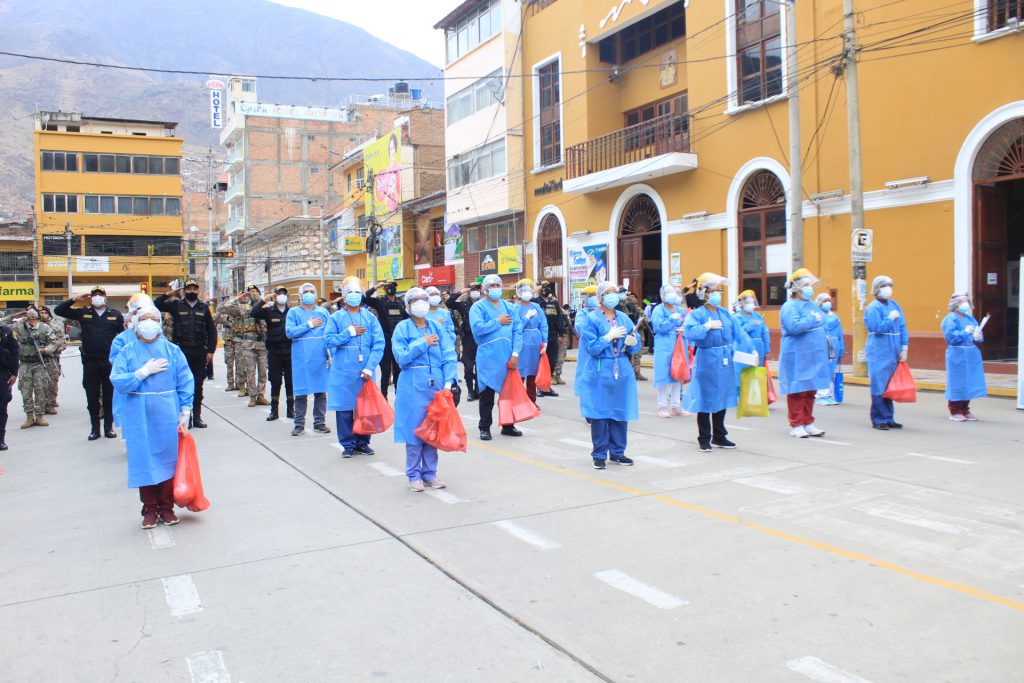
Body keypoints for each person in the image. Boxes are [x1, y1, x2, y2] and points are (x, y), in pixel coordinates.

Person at [110, 305, 195, 529]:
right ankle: (149, 509)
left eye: (153, 318)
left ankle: (167, 507)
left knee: (167, 459)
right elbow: (117, 381)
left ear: (160, 322)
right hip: (138, 410)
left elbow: (185, 379)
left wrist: (186, 409)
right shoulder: (127, 351)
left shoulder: (172, 350)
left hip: (166, 410)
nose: (149, 323)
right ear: (135, 324)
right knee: (143, 459)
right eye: (144, 318)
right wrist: (141, 373)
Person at [392, 287, 458, 491]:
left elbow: (448, 354)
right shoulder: (402, 328)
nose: (420, 303)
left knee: (432, 430)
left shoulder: (436, 327)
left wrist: (448, 382)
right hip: (412, 384)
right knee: (414, 431)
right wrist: (422, 343)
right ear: (408, 306)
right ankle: (413, 475)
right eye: (415, 300)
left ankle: (430, 473)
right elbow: (401, 357)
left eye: (423, 299)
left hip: (435, 384)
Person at [683, 273, 754, 452]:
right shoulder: (698, 314)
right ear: (704, 293)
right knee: (706, 398)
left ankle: (720, 436)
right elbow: (689, 333)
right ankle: (704, 437)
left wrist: (750, 349)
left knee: (722, 396)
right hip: (707, 358)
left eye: (719, 291)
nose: (717, 294)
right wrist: (706, 326)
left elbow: (739, 333)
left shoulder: (724, 313)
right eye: (713, 291)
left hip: (724, 358)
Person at [578, 281, 640, 469]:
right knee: (600, 413)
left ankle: (618, 452)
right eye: (608, 293)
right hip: (600, 368)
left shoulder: (623, 318)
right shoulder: (592, 319)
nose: (613, 296)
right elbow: (591, 348)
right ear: (600, 297)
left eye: (615, 292)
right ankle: (599, 454)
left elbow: (635, 346)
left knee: (620, 412)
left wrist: (632, 342)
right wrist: (607, 337)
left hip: (621, 367)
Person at [325, 277, 385, 456]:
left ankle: (362, 442)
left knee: (365, 407)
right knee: (344, 408)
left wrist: (370, 367)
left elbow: (379, 344)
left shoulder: (370, 318)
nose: (354, 296)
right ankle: (348, 444)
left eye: (357, 292)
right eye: (350, 292)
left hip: (364, 369)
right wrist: (348, 333)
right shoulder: (336, 318)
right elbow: (328, 340)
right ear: (344, 296)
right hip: (343, 369)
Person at [55, 287, 125, 439]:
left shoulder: (115, 315)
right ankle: (95, 429)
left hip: (109, 361)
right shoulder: (83, 313)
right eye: (94, 295)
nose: (97, 297)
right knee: (91, 395)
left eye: (100, 295)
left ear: (106, 298)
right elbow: (59, 311)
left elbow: (122, 337)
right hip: (90, 360)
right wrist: (75, 299)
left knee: (109, 395)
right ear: (90, 298)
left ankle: (109, 427)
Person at [154, 279, 218, 429]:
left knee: (197, 385)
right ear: (184, 291)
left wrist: (211, 350)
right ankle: (185, 418)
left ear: (198, 290)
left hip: (199, 351)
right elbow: (157, 305)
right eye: (188, 289)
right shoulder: (176, 305)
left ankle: (197, 417)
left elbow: (211, 330)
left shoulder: (204, 307)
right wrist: (167, 294)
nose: (191, 291)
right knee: (181, 385)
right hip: (181, 351)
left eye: (194, 289)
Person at [470, 274, 523, 441]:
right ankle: (484, 427)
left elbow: (517, 331)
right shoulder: (478, 308)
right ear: (485, 289)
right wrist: (497, 321)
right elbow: (478, 329)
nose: (495, 288)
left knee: (507, 394)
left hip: (507, 355)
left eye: (497, 285)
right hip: (488, 357)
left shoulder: (509, 307)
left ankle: (508, 425)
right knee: (487, 393)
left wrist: (515, 353)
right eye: (491, 285)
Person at [778, 269, 830, 438]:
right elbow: (794, 327)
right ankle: (796, 424)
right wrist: (811, 320)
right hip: (797, 353)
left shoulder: (812, 305)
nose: (809, 289)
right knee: (797, 389)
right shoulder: (789, 306)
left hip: (814, 354)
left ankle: (808, 422)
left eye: (810, 285)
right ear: (796, 288)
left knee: (810, 389)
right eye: (806, 285)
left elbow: (824, 322)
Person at [285, 282, 331, 436]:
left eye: (312, 291)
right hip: (301, 359)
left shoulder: (323, 312)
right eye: (306, 291)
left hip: (319, 357)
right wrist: (308, 325)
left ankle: (320, 422)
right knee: (301, 392)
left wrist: (330, 354)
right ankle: (299, 424)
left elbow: (330, 334)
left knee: (320, 392)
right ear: (300, 295)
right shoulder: (293, 313)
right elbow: (290, 332)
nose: (309, 294)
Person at [864, 275, 908, 431]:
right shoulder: (873, 308)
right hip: (879, 350)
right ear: (877, 289)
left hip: (893, 349)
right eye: (885, 286)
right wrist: (889, 319)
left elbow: (902, 326)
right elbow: (876, 327)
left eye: (890, 285)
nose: (889, 288)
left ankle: (889, 417)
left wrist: (904, 346)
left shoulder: (895, 305)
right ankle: (878, 419)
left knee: (890, 384)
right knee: (879, 384)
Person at [109, 293, 154, 431]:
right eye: (141, 314)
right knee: (131, 432)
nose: (147, 320)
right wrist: (140, 372)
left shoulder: (158, 337)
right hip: (131, 389)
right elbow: (117, 364)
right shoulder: (123, 339)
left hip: (153, 389)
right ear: (133, 315)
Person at [221, 286, 270, 407]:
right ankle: (253, 396)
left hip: (262, 343)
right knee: (250, 371)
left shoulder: (266, 306)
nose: (252, 294)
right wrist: (237, 298)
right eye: (250, 292)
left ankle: (261, 395)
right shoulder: (242, 308)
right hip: (248, 343)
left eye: (255, 292)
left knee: (263, 372)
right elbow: (226, 308)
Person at [942, 292, 986, 421]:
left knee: (970, 382)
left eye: (967, 301)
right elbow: (951, 338)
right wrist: (964, 332)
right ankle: (955, 410)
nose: (966, 304)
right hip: (957, 354)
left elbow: (978, 333)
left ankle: (965, 409)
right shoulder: (950, 319)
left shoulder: (970, 318)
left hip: (971, 353)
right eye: (962, 302)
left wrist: (978, 336)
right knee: (957, 382)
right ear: (956, 304)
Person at [253, 286, 294, 421]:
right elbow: (254, 313)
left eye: (284, 293)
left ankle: (290, 410)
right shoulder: (269, 311)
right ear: (275, 296)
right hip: (274, 351)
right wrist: (263, 300)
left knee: (290, 382)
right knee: (275, 381)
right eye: (279, 293)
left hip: (289, 351)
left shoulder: (292, 312)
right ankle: (274, 411)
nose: (282, 295)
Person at [12, 308, 58, 429]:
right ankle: (29, 417)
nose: (31, 321)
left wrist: (45, 350)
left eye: (33, 319)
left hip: (39, 364)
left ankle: (39, 415)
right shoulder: (20, 327)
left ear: (37, 318)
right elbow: (4, 323)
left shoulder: (45, 328)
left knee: (40, 390)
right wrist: (18, 315)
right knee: (25, 391)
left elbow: (54, 343)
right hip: (25, 364)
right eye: (28, 319)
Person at [362, 280, 407, 399]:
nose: (390, 288)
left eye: (392, 285)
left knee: (398, 369)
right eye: (387, 286)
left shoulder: (401, 303)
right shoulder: (380, 302)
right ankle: (383, 397)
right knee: (385, 371)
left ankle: (400, 396)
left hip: (399, 340)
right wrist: (375, 287)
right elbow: (363, 298)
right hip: (386, 339)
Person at [650, 284, 689, 418]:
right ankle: (662, 406)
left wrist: (684, 329)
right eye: (669, 293)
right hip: (664, 345)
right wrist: (671, 320)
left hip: (678, 344)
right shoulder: (658, 310)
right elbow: (659, 327)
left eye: (674, 293)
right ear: (663, 296)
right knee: (663, 375)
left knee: (677, 375)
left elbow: (687, 322)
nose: (672, 296)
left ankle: (676, 406)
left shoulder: (679, 309)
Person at [512, 279, 548, 404]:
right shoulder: (515, 308)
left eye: (529, 290)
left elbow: (543, 325)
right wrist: (526, 317)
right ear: (518, 292)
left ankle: (532, 401)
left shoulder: (536, 307)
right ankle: (520, 400)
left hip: (535, 344)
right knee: (520, 373)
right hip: (521, 343)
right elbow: (515, 327)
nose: (527, 293)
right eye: (523, 290)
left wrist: (545, 342)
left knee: (533, 373)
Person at [447, 281, 482, 400]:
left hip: (480, 338)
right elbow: (449, 302)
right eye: (473, 289)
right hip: (467, 338)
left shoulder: (483, 304)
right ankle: (470, 391)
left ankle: (478, 388)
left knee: (480, 366)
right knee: (468, 366)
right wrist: (461, 291)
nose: (475, 291)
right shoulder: (464, 305)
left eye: (477, 289)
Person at [573, 285, 600, 424]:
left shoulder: (605, 312)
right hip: (587, 353)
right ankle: (588, 411)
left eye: (595, 295)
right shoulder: (582, 313)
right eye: (590, 296)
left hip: (602, 352)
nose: (593, 298)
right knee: (587, 380)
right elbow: (581, 329)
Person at [814, 292, 845, 406]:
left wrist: (841, 347)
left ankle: (827, 394)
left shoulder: (835, 317)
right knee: (823, 370)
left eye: (829, 301)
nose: (827, 303)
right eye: (824, 301)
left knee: (831, 371)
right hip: (823, 344)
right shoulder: (817, 316)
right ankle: (820, 394)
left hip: (834, 345)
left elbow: (840, 333)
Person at [37, 306, 66, 415]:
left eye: (44, 312)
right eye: (40, 312)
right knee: (40, 384)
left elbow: (62, 342)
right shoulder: (35, 328)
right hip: (38, 360)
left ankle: (51, 404)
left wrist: (55, 349)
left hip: (52, 359)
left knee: (52, 383)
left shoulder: (55, 328)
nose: (42, 314)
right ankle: (42, 404)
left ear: (49, 315)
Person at [537, 281, 564, 394]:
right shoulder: (536, 302)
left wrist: (561, 334)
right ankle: (539, 387)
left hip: (553, 334)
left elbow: (559, 318)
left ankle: (547, 386)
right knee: (541, 362)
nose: (546, 290)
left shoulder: (554, 302)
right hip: (541, 336)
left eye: (547, 288)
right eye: (543, 288)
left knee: (552, 361)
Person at [619, 290, 648, 381]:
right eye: (629, 297)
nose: (631, 298)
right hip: (630, 332)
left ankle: (637, 372)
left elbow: (645, 320)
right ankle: (631, 372)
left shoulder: (637, 308)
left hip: (639, 332)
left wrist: (642, 323)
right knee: (630, 354)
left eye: (633, 297)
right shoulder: (624, 306)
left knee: (638, 355)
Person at [0, 318, 17, 450]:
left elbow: (15, 352)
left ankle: (1, 439)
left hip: (3, 373)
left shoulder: (6, 331)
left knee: (2, 406)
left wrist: (14, 373)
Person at [215, 305, 238, 391]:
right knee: (229, 364)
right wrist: (220, 310)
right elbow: (216, 319)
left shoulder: (240, 315)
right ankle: (230, 383)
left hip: (239, 341)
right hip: (229, 342)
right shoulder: (225, 317)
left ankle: (239, 384)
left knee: (240, 365)